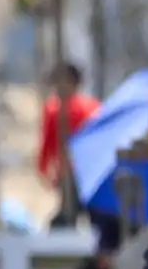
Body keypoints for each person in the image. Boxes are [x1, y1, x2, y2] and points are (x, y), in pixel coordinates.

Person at [38, 62, 101, 221]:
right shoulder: (53, 110)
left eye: (66, 81)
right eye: (58, 82)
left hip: (86, 171)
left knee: (90, 214)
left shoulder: (90, 109)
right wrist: (45, 168)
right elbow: (48, 142)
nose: (61, 87)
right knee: (68, 216)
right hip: (67, 173)